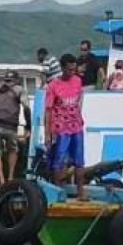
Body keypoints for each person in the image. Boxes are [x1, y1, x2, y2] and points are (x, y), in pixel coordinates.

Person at [45, 54, 87, 199]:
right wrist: (48, 133)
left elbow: (79, 101)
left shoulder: (78, 81)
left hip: (76, 127)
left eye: (74, 70)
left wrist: (80, 118)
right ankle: (58, 192)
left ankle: (81, 191)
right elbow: (48, 111)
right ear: (62, 68)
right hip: (61, 128)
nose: (72, 73)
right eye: (69, 70)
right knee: (59, 161)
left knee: (79, 160)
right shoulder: (53, 86)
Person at [0, 71, 31, 186]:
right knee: (13, 149)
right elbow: (26, 108)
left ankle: (1, 179)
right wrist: (28, 125)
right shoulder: (19, 89)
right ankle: (10, 177)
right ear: (17, 80)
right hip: (10, 125)